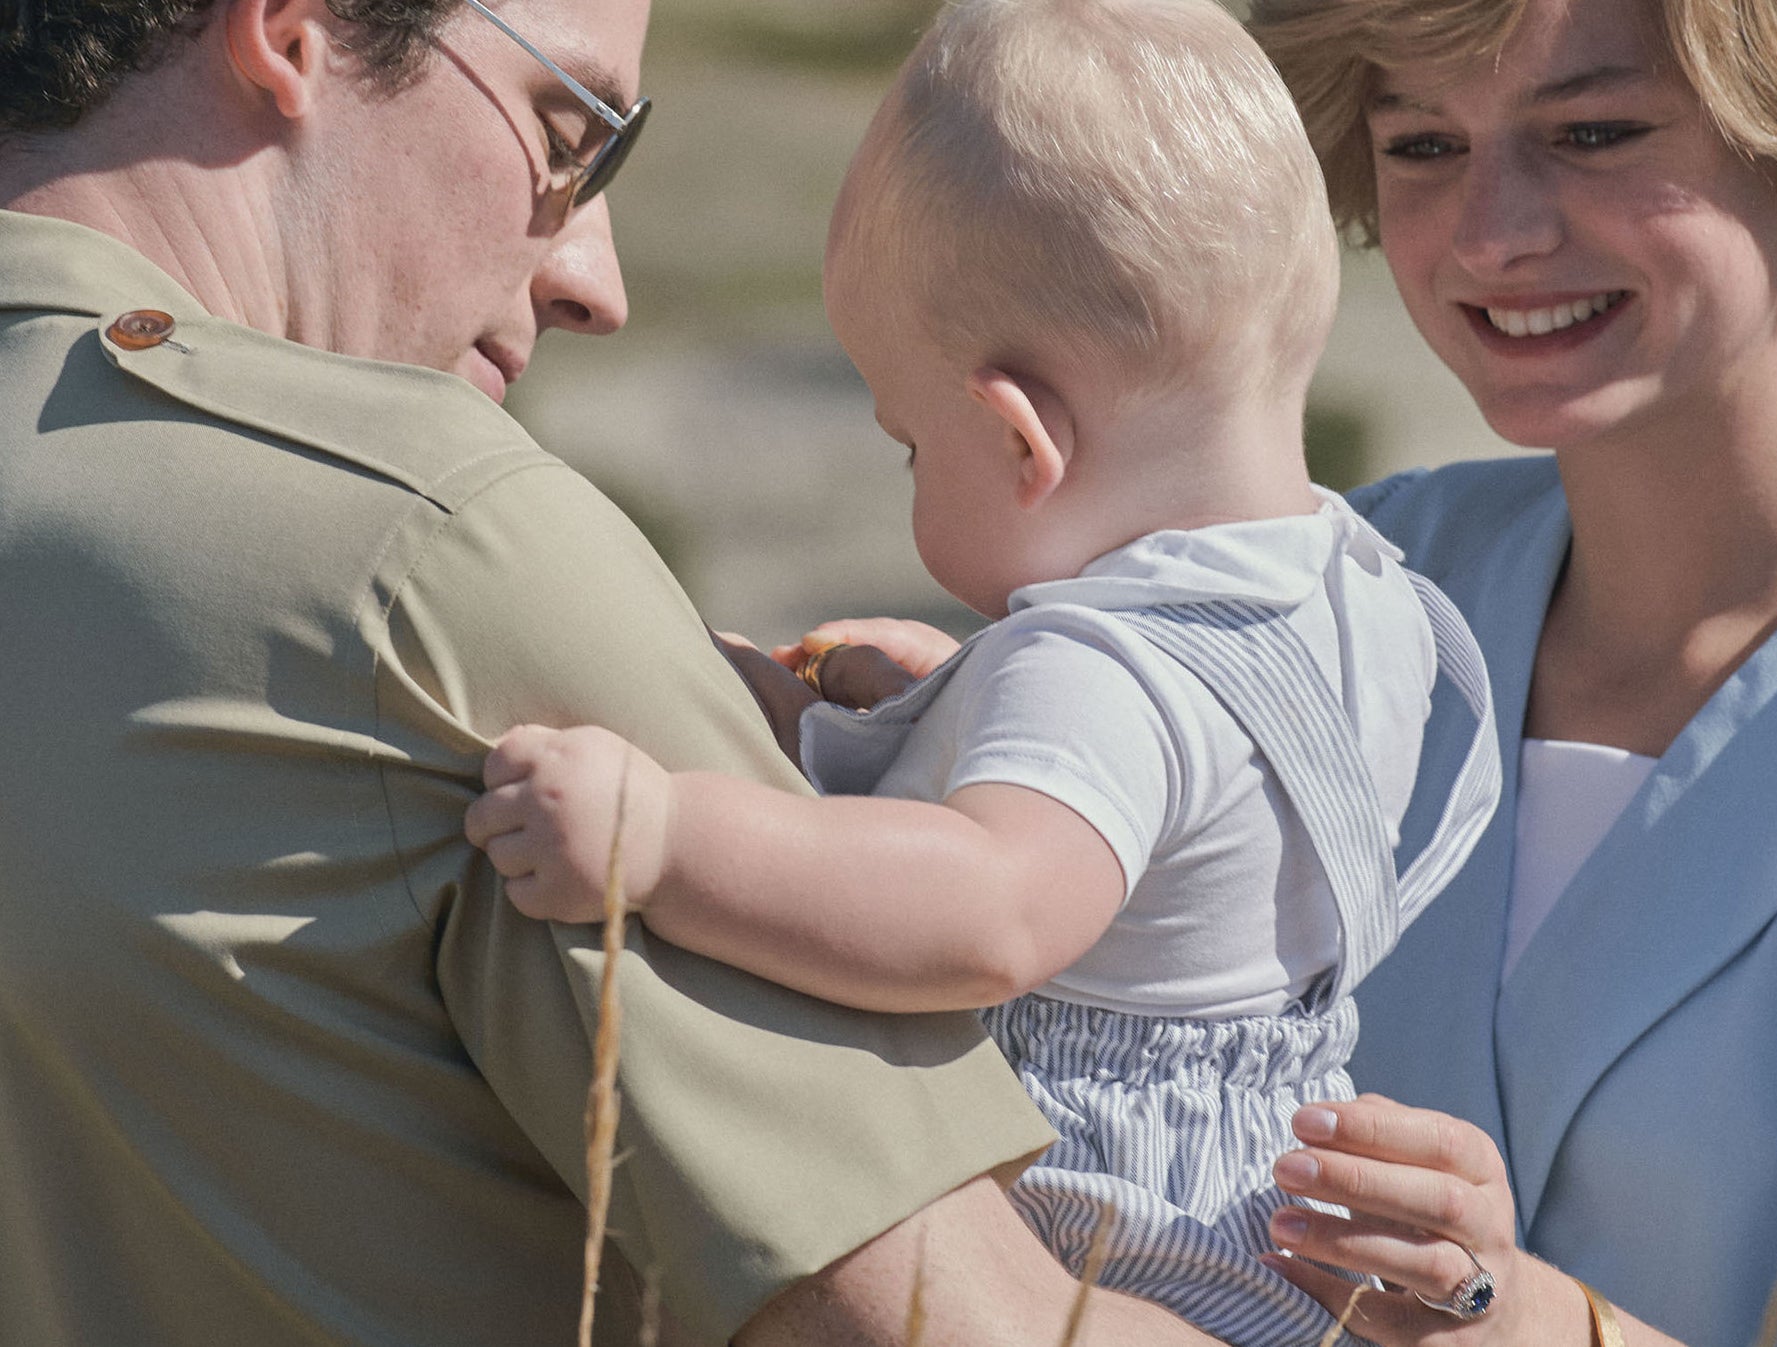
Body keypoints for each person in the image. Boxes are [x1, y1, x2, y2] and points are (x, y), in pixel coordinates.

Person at [0, 3, 1232, 1344]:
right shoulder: (427, 544)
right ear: (292, 38)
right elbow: (973, 1330)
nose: (597, 278)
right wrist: (1489, 1322)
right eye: (566, 132)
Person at [463, 1, 1497, 1343]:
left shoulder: (1099, 679)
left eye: (909, 442)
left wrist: (664, 837)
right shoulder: (1365, 596)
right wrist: (962, 702)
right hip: (1272, 1249)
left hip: (1114, 1251)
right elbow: (1193, 843)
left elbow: (986, 917)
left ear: (1020, 440)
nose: (909, 475)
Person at [1228, 0, 1777, 1343]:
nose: (1491, 234)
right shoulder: (1360, 582)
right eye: (1421, 144)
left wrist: (1507, 1318)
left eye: (1594, 131)